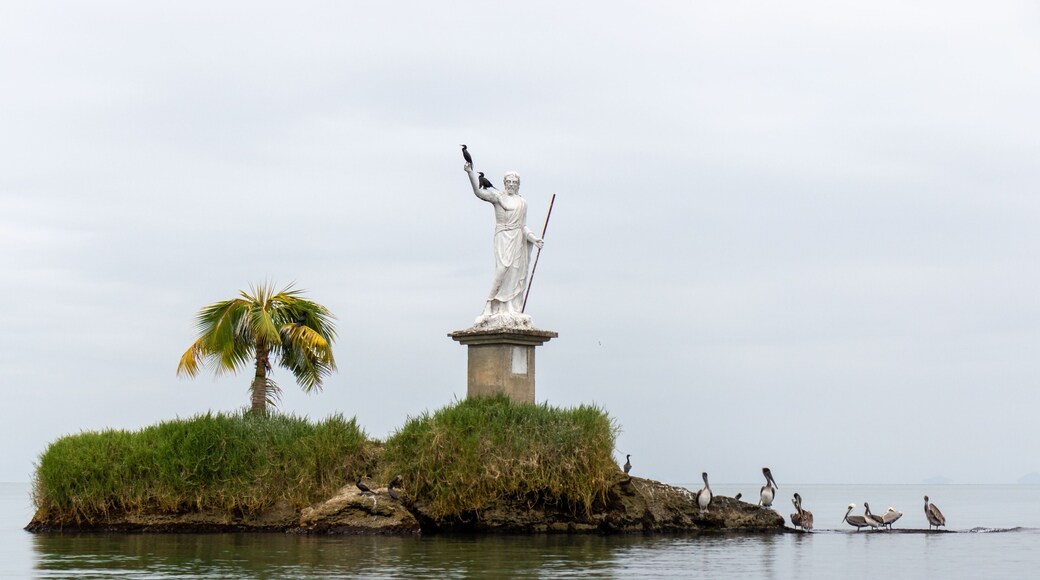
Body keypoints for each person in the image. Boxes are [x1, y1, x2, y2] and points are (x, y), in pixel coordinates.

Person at [464, 162, 544, 324]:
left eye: (514, 182)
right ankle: (490, 303)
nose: (511, 185)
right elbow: (478, 192)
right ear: (504, 183)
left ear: (518, 185)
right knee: (503, 268)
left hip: (517, 238)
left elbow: (522, 226)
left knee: (515, 272)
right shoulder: (498, 197)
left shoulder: (522, 202)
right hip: (503, 235)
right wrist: (470, 173)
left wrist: (534, 239)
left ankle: (508, 307)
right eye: (509, 182)